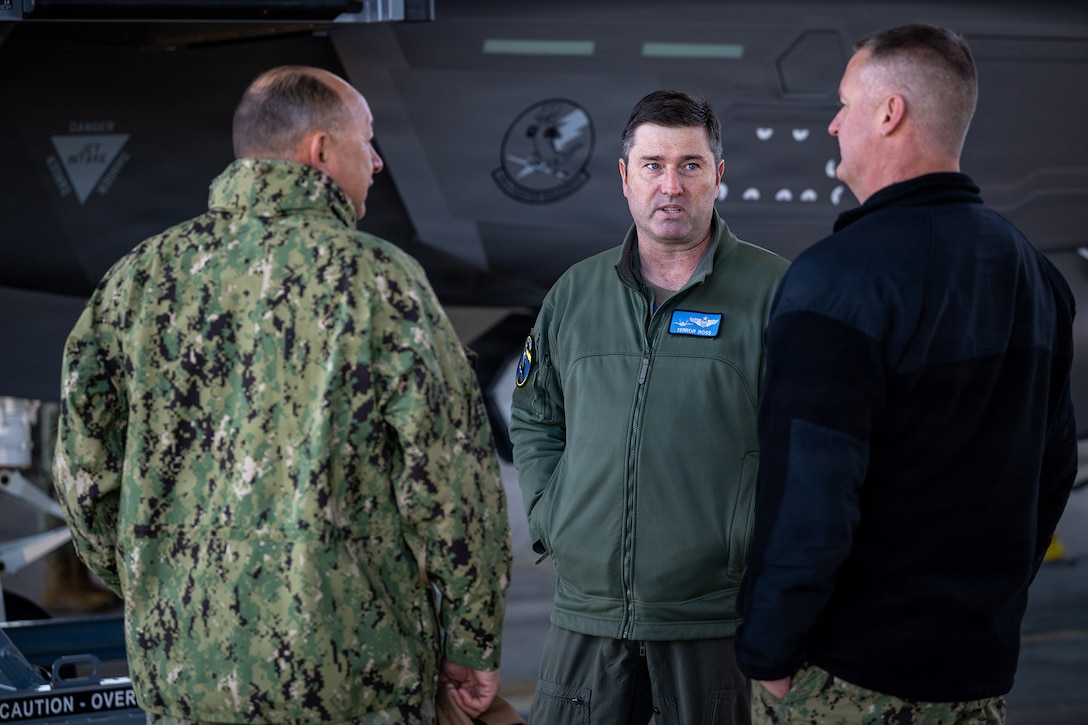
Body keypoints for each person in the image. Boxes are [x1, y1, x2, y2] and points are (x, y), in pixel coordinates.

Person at [52, 65, 512, 725]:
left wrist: (151, 575)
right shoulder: (378, 281)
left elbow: (83, 469)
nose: (377, 163)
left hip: (185, 673)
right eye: (367, 142)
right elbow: (450, 481)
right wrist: (470, 639)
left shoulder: (137, 278)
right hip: (351, 680)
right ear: (320, 151)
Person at [735, 24, 1077, 725]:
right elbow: (1052, 471)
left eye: (843, 103)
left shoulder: (835, 281)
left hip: (848, 681)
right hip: (977, 677)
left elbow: (810, 500)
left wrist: (768, 653)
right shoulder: (1036, 278)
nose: (832, 123)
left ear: (889, 113)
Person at [509, 89, 790, 724]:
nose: (671, 185)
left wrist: (749, 540)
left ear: (719, 176)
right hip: (585, 620)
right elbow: (534, 414)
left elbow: (809, 446)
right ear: (624, 178)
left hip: (714, 623)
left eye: (690, 165)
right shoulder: (574, 294)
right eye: (652, 165)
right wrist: (552, 514)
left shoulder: (777, 293)